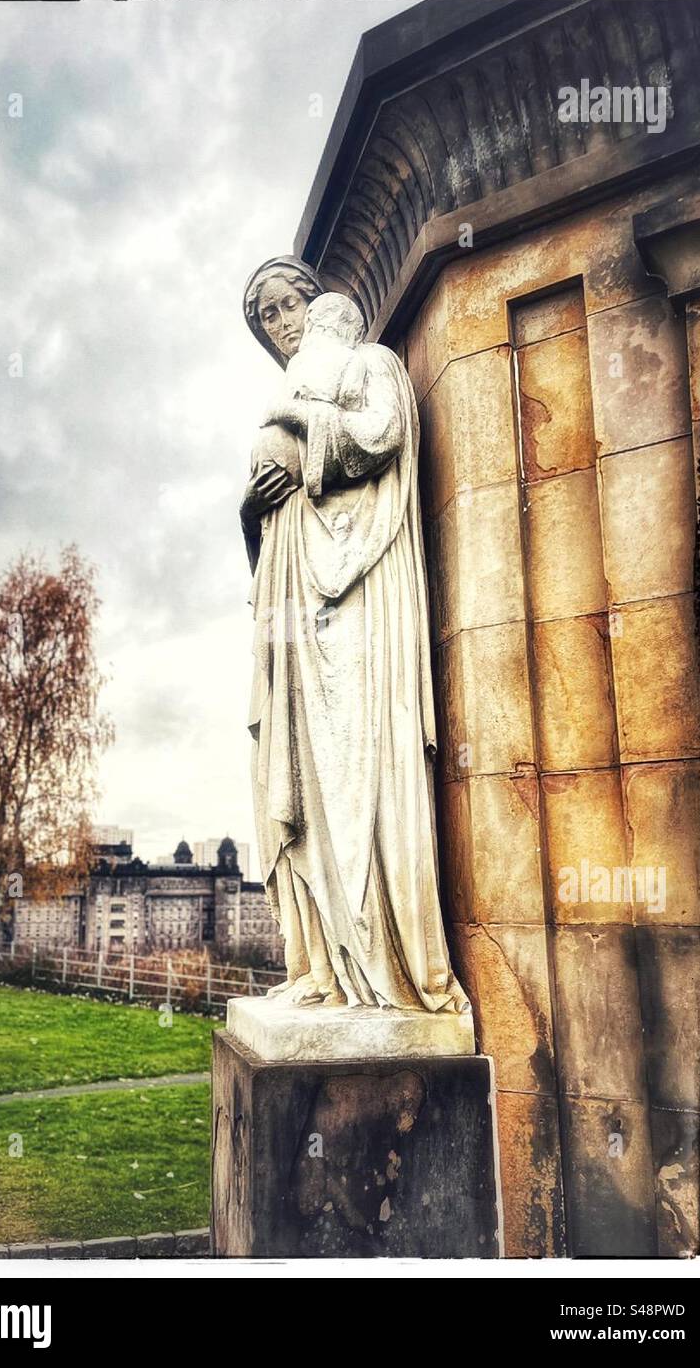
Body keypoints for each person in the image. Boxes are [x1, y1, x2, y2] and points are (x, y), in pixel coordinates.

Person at [240, 255, 471, 1014]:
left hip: (357, 593)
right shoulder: (284, 394)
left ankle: (380, 965)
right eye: (264, 316)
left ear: (318, 302)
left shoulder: (369, 363)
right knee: (299, 771)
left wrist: (303, 427)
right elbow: (268, 520)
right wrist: (252, 509)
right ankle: (319, 966)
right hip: (292, 597)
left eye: (286, 305)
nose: (280, 324)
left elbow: (382, 436)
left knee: (357, 762)